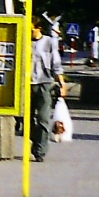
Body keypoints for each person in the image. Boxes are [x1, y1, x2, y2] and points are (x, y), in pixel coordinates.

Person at [30, 16, 66, 163]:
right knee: (28, 120)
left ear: (38, 28)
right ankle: (36, 140)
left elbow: (56, 63)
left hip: (44, 83)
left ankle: (40, 150)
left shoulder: (48, 42)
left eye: (31, 29)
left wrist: (62, 84)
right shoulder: (23, 41)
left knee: (43, 119)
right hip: (27, 84)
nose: (29, 32)